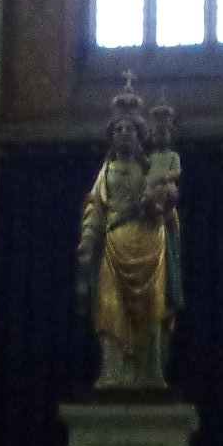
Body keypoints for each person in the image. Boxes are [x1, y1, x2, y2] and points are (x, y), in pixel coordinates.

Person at [76, 79, 176, 389]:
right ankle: (113, 372)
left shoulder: (151, 169)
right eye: (117, 130)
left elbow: (168, 203)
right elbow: (95, 208)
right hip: (115, 246)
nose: (123, 134)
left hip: (149, 244)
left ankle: (151, 373)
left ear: (140, 135)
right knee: (110, 310)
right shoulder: (105, 173)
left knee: (152, 309)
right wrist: (88, 242)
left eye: (129, 129)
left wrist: (162, 202)